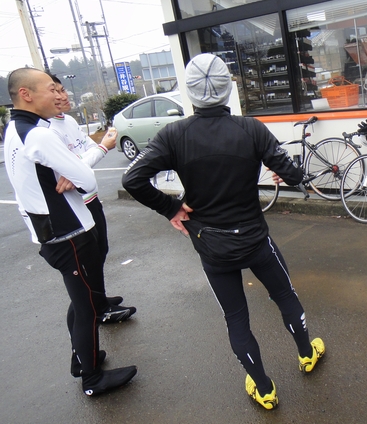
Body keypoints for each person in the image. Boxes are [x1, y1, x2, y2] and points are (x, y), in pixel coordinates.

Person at [122, 54, 325, 410]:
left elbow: (132, 179)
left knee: (236, 318)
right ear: (228, 88)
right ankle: (307, 353)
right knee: (285, 296)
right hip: (255, 238)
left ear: (189, 92)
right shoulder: (252, 129)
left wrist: (171, 207)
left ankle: (263, 388)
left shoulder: (174, 135)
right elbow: (295, 175)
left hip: (211, 243)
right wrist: (283, 172)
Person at [3, 67, 137, 397]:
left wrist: (69, 170)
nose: (58, 94)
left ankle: (82, 359)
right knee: (86, 306)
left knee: (81, 301)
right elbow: (86, 179)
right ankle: (91, 379)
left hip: (50, 232)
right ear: (26, 94)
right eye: (51, 89)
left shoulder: (16, 129)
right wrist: (74, 169)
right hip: (69, 234)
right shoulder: (39, 134)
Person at [47, 73, 137, 326]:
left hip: (91, 198)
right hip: (76, 205)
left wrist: (94, 153)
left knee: (100, 251)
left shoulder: (69, 121)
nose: (62, 96)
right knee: (88, 261)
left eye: (62, 89)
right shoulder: (46, 130)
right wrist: (100, 149)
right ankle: (98, 309)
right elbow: (77, 164)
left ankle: (99, 300)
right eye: (54, 91)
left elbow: (88, 154)